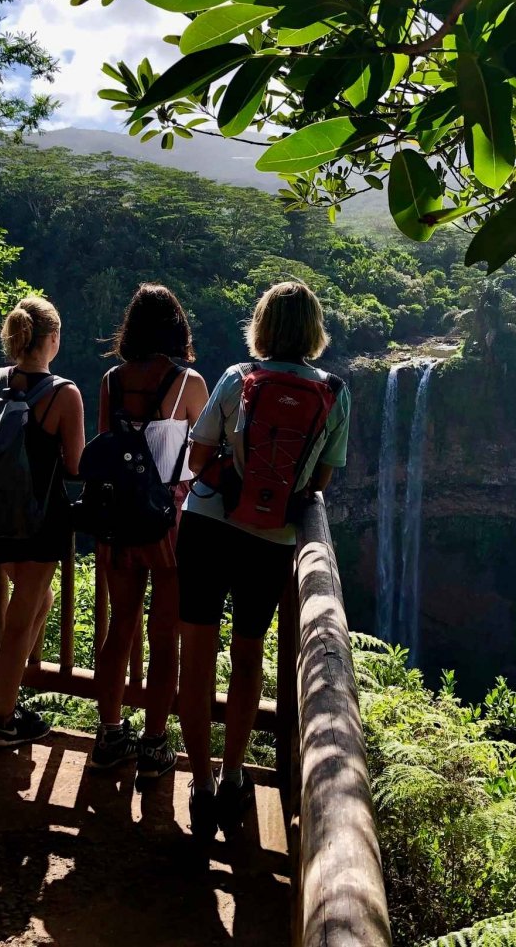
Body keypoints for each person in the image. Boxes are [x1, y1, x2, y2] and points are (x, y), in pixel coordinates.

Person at [176, 281, 351, 841]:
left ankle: (200, 787)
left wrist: (232, 470)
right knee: (248, 656)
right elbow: (321, 479)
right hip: (270, 540)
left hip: (206, 528)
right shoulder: (334, 392)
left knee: (197, 658)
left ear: (262, 326)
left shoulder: (236, 378)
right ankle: (233, 778)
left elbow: (198, 456)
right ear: (314, 332)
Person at [88, 284, 209, 780]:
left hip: (118, 522)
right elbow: (203, 457)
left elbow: (101, 453)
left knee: (120, 627)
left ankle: (109, 734)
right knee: (163, 638)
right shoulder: (188, 383)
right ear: (178, 329)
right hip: (169, 523)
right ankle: (154, 745)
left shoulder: (112, 380)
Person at [0, 296, 85, 747]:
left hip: (0, 513)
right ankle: (3, 720)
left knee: (35, 604)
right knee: (22, 617)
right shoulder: (64, 394)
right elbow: (77, 465)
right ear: (53, 339)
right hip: (42, 520)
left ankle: (10, 698)